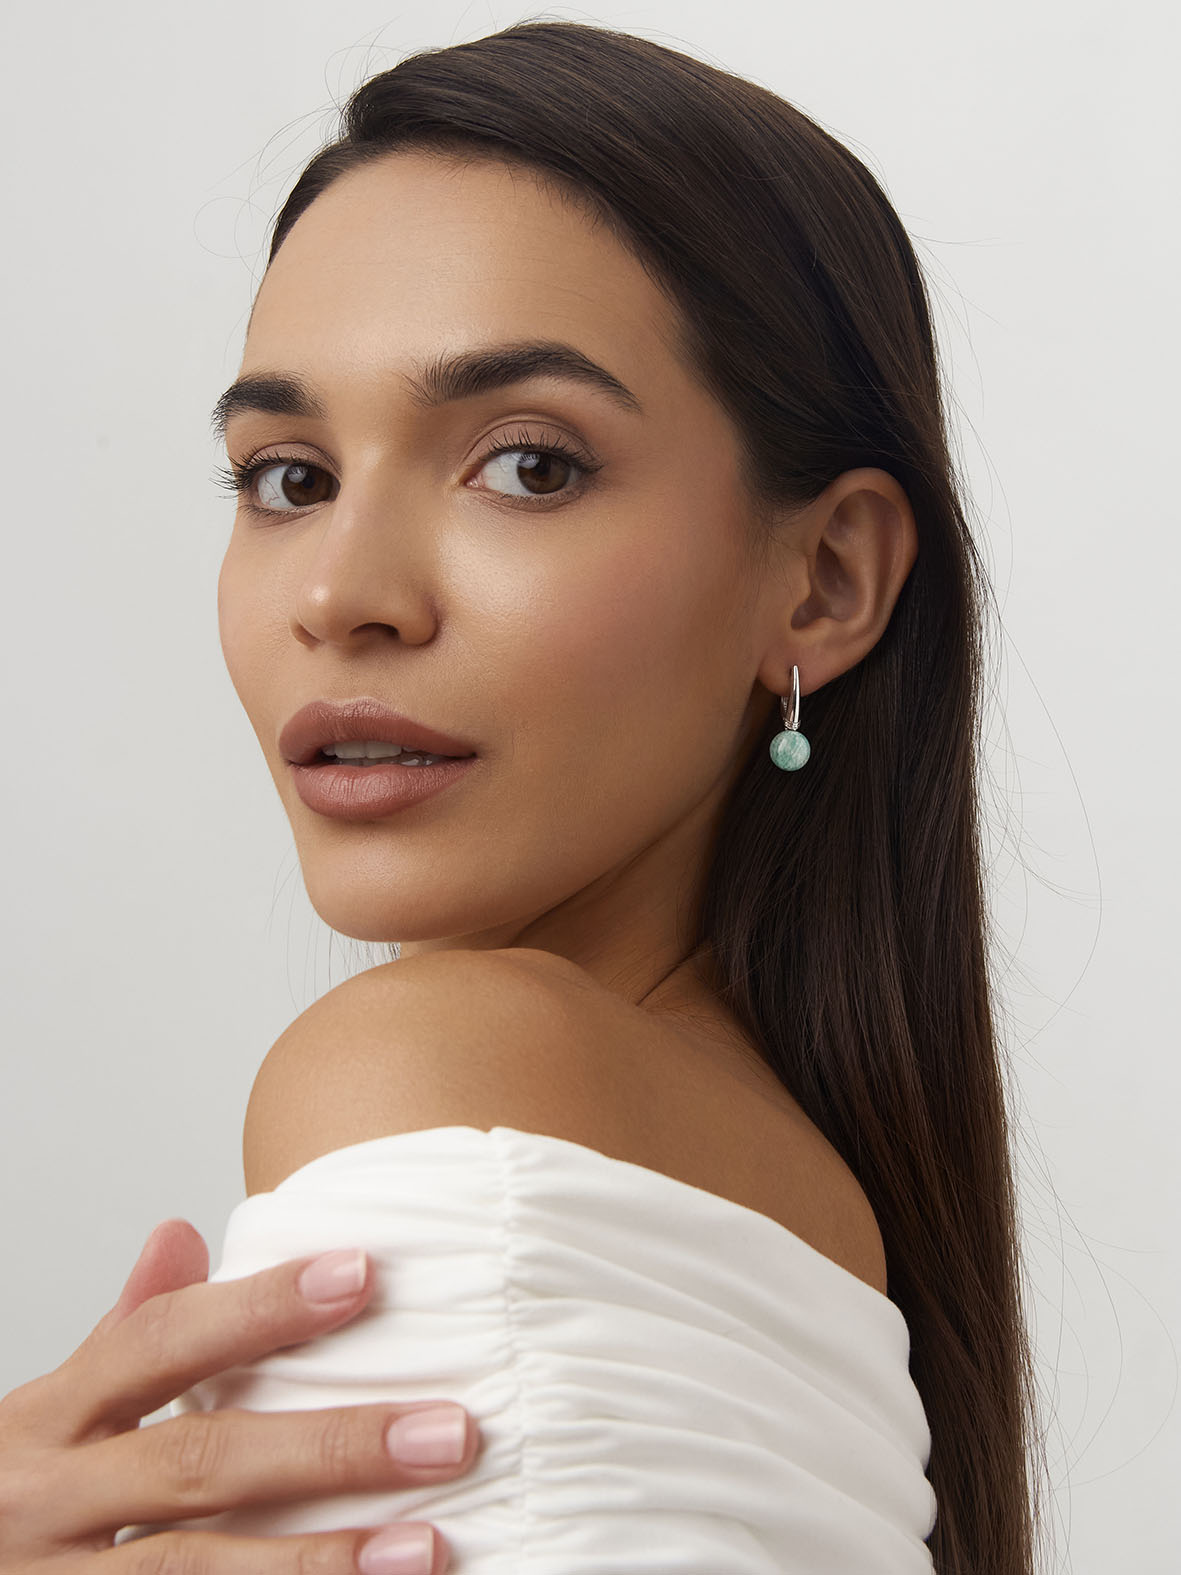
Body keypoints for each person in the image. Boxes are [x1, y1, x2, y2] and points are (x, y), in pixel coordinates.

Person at [0, 19, 1051, 1575]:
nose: (342, 594)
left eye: (527, 465)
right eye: (287, 477)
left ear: (824, 579)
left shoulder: (443, 1071)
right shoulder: (805, 1221)